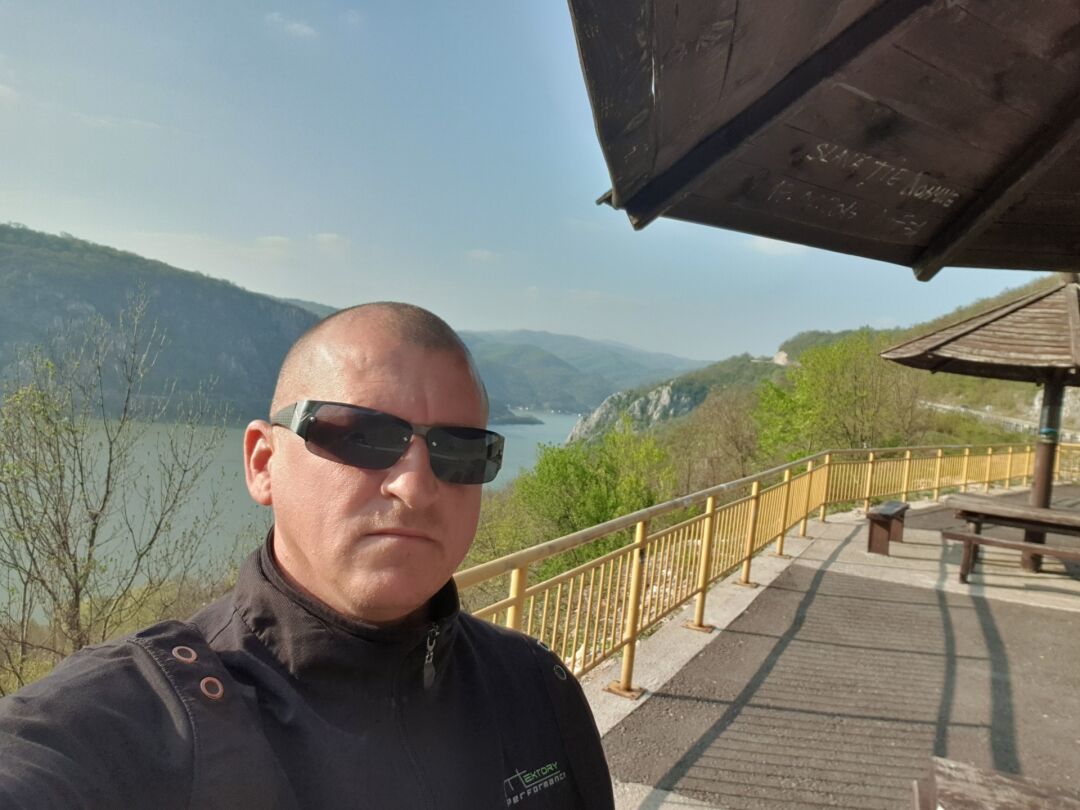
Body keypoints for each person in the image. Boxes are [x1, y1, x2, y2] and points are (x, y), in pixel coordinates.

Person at [0, 302, 615, 809]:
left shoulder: (535, 687)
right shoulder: (139, 720)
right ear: (263, 463)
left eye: (461, 451)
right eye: (362, 436)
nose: (416, 485)